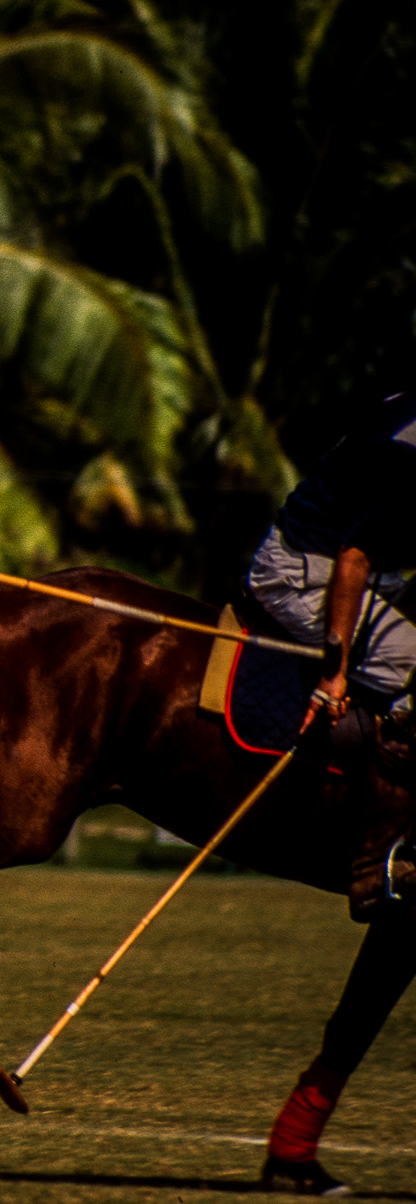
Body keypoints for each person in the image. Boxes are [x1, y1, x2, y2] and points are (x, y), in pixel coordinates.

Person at [248, 387, 416, 915]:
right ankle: (377, 858)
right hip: (304, 570)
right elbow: (353, 556)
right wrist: (335, 672)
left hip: (367, 570)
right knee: (409, 658)